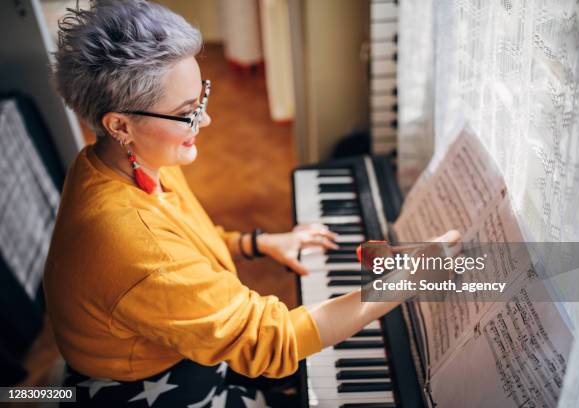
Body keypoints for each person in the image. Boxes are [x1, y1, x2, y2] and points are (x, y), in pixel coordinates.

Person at [44, 1, 459, 406]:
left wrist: (256, 242)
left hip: (166, 349)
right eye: (187, 112)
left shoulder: (122, 159)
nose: (204, 121)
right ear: (120, 125)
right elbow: (272, 343)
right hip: (148, 386)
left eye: (201, 97)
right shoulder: (132, 241)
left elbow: (181, 243)